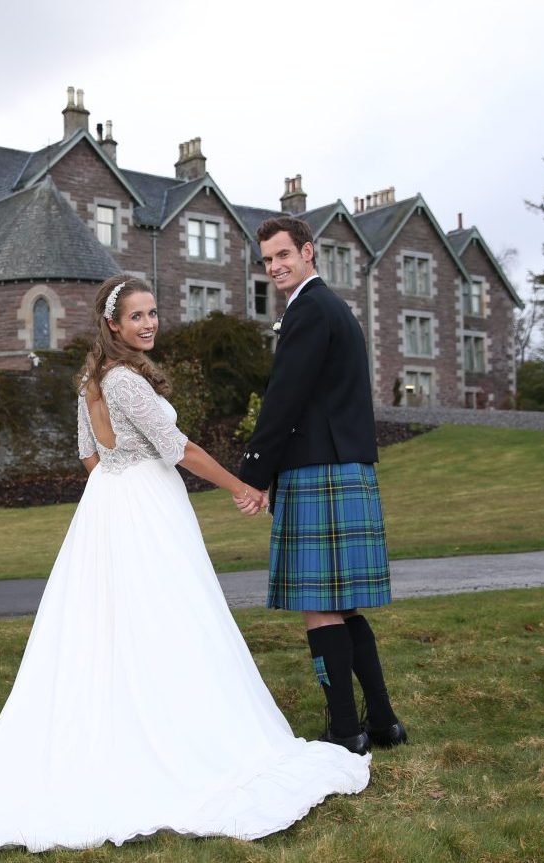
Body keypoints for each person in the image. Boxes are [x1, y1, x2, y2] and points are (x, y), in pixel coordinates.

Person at [0, 275, 369, 860]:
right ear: (113, 325)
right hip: (143, 507)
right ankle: (166, 734)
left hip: (107, 504)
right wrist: (243, 486)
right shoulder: (126, 381)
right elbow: (178, 449)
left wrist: (114, 485)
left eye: (153, 313)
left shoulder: (91, 380)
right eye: (136, 316)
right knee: (168, 616)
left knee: (116, 622)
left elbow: (88, 453)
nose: (149, 323)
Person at [239, 216, 408, 756]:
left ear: (308, 252)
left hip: (319, 471)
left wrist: (255, 471)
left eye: (283, 255)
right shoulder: (336, 309)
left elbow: (284, 398)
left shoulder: (308, 310)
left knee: (320, 605)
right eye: (267, 260)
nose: (275, 267)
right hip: (346, 468)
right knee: (346, 605)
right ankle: (381, 722)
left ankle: (344, 730)